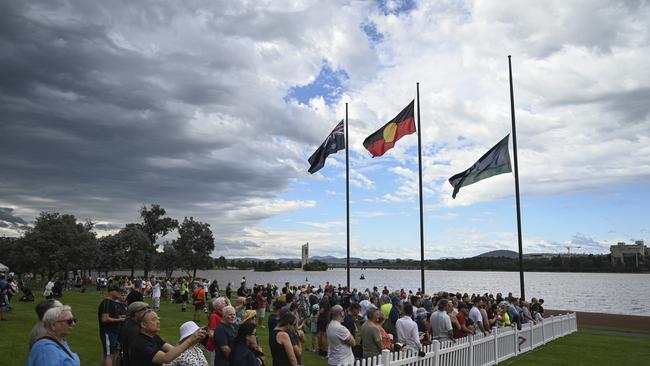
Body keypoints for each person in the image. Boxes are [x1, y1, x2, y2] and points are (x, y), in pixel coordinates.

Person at [129, 309, 205, 365]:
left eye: (158, 319)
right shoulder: (141, 343)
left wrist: (193, 343)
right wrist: (190, 339)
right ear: (143, 325)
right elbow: (165, 358)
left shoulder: (154, 337)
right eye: (154, 319)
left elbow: (173, 350)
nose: (158, 322)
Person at [99, 285, 127, 366]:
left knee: (109, 353)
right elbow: (105, 319)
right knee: (109, 354)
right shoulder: (107, 302)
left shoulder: (113, 303)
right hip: (108, 332)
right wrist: (120, 320)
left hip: (114, 332)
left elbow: (114, 316)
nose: (119, 293)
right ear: (111, 292)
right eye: (118, 291)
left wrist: (124, 317)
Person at [119, 301, 150, 366]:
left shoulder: (132, 324)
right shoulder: (133, 329)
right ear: (136, 313)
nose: (147, 311)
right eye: (144, 309)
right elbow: (140, 348)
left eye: (147, 308)